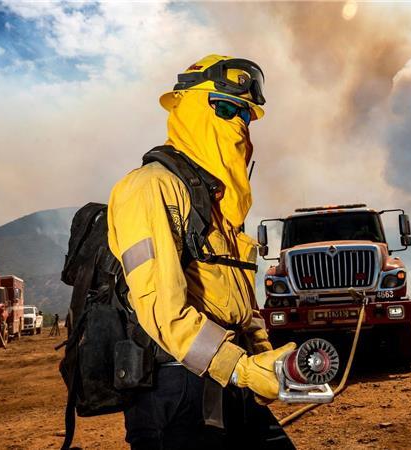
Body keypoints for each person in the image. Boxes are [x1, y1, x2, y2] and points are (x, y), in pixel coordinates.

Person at [107, 54, 296, 449]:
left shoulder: (219, 204)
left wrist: (261, 355)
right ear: (189, 109)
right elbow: (163, 309)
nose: (238, 124)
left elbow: (238, 296)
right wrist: (242, 369)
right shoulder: (150, 188)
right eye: (225, 108)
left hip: (229, 373)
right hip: (173, 388)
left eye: (245, 115)